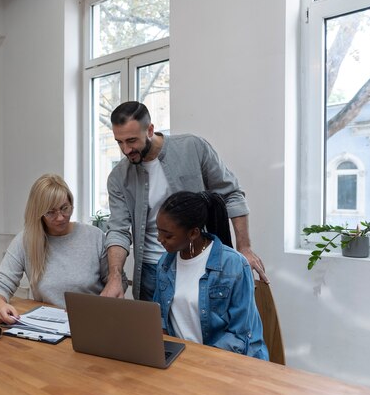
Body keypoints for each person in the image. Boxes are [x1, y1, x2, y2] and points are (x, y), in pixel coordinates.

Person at [101, 101, 266, 301]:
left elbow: (231, 194)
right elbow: (118, 230)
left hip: (200, 263)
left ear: (150, 130)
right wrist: (115, 277)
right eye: (119, 142)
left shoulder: (193, 147)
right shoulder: (118, 177)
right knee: (152, 332)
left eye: (132, 141)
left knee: (201, 329)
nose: (126, 150)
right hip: (151, 271)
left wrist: (244, 248)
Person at [0, 174, 127, 324]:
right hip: (48, 326)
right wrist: (0, 306)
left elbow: (119, 282)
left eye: (65, 208)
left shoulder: (95, 237)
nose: (60, 217)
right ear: (38, 213)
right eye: (51, 212)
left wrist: (98, 306)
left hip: (92, 322)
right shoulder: (26, 241)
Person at [153, 191, 269, 360]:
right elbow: (160, 318)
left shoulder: (233, 264)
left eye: (168, 235)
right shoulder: (165, 263)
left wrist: (199, 359)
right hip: (183, 360)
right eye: (158, 231)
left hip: (227, 362)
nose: (159, 239)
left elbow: (240, 334)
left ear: (193, 233)